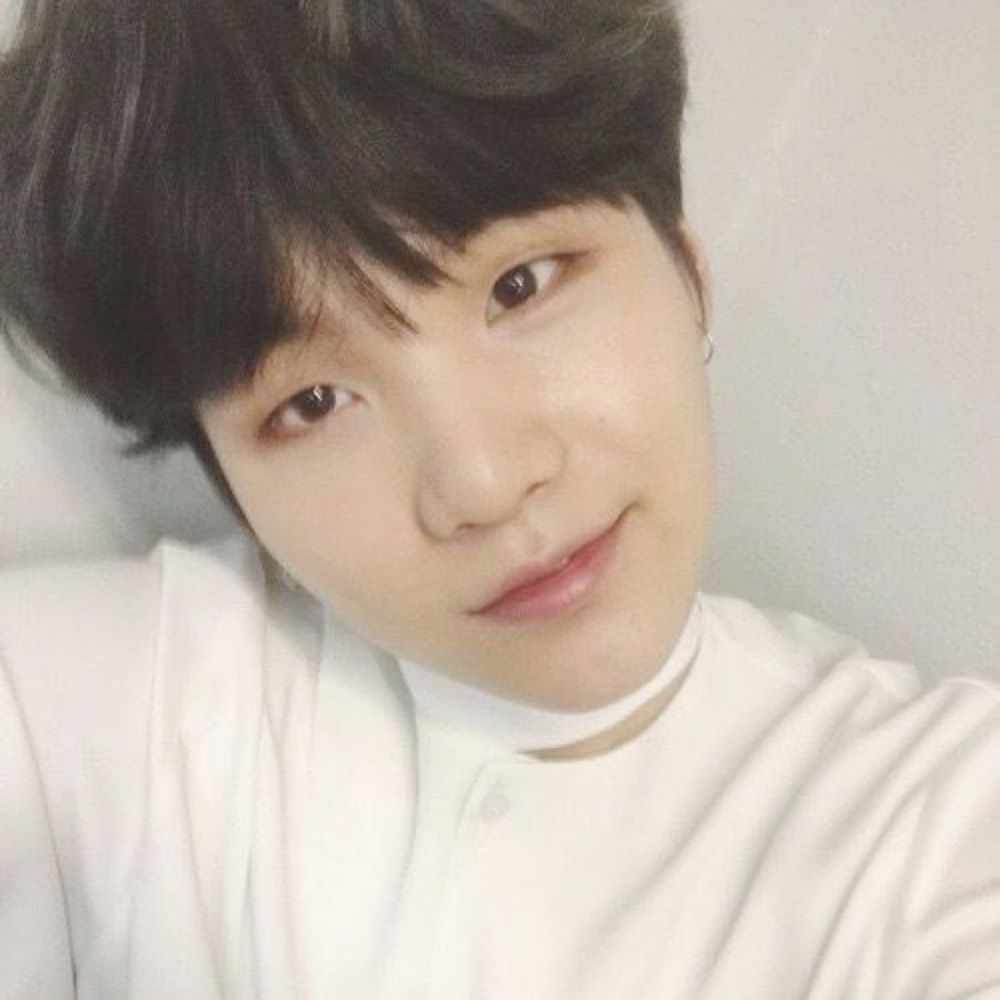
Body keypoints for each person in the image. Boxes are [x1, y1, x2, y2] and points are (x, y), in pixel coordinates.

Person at [0, 1, 996, 998]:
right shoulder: (146, 710)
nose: (480, 484)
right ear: (229, 483)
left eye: (520, 285)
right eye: (314, 402)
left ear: (687, 274)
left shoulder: (931, 820)